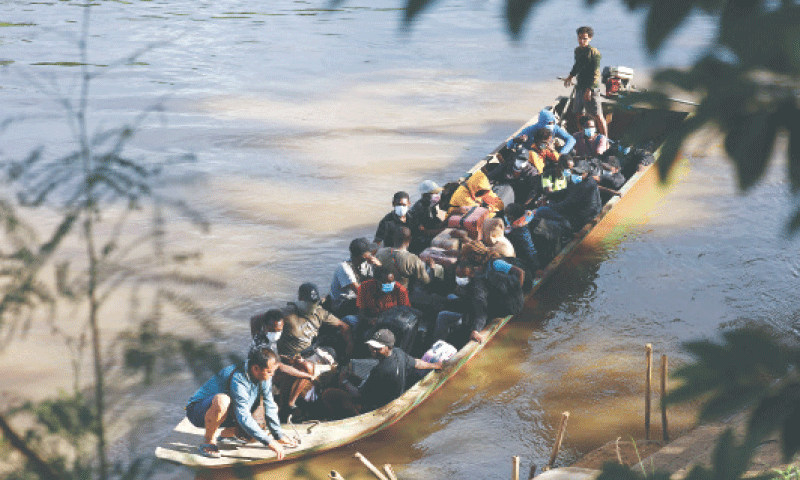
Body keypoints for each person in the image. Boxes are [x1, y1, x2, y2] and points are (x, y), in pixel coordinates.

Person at [185, 345, 297, 459]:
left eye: (273, 371)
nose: (272, 375)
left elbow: (269, 405)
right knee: (222, 400)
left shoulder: (265, 374)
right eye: (269, 372)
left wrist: (278, 435)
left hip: (229, 410)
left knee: (269, 409)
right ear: (255, 368)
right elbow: (243, 415)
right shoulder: (239, 377)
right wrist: (269, 442)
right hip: (197, 411)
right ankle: (209, 442)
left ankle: (226, 434)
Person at [320, 329, 442, 419]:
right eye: (372, 346)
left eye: (377, 348)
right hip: (391, 394)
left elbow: (358, 395)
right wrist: (435, 365)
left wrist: (344, 382)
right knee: (352, 379)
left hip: (377, 407)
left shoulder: (381, 370)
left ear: (388, 347)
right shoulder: (399, 353)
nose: (373, 351)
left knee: (328, 394)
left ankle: (339, 419)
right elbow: (417, 363)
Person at [432, 249, 525, 347]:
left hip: (488, 312)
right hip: (482, 305)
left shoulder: (477, 288)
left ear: (472, 273)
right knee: (450, 297)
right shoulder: (477, 277)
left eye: (463, 276)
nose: (459, 278)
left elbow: (481, 310)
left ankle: (435, 348)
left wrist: (475, 330)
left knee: (442, 316)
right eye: (458, 275)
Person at [250, 309, 318, 419]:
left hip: (269, 372)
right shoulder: (263, 346)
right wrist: (308, 376)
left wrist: (289, 359)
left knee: (299, 366)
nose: (276, 334)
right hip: (261, 380)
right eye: (273, 330)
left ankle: (287, 404)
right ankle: (285, 408)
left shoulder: (260, 335)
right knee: (304, 370)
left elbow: (254, 319)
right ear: (266, 326)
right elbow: (280, 368)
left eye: (279, 330)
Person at [279, 282, 353, 359]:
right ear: (300, 299)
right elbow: (268, 318)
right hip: (291, 356)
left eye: (315, 302)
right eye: (309, 303)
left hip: (310, 351)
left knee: (332, 351)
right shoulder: (287, 313)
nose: (313, 306)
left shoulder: (319, 312)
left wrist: (348, 354)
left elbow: (344, 326)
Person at [563, 26, 608, 136]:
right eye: (580, 38)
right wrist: (570, 76)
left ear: (590, 38)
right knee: (578, 113)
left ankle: (605, 139)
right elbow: (577, 65)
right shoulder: (577, 51)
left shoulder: (594, 53)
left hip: (592, 88)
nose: (582, 41)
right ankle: (582, 136)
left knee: (597, 114)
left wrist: (590, 90)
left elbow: (596, 73)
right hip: (580, 86)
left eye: (585, 39)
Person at [375, 227, 443, 292]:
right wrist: (432, 266)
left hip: (383, 289)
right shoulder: (413, 259)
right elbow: (427, 280)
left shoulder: (380, 252)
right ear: (410, 240)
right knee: (437, 270)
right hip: (401, 292)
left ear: (393, 238)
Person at [346, 265, 410, 333]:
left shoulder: (401, 290)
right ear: (376, 281)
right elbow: (361, 310)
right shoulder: (364, 287)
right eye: (385, 283)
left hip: (392, 325)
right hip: (370, 320)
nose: (388, 285)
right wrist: (368, 320)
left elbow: (406, 314)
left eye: (391, 282)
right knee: (348, 319)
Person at [329, 237, 381, 318]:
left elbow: (380, 281)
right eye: (369, 253)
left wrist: (379, 266)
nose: (371, 254)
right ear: (363, 256)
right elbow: (360, 292)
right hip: (343, 304)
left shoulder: (366, 264)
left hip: (356, 298)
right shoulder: (343, 268)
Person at [508, 108, 576, 155]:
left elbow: (571, 139)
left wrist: (562, 152)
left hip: (547, 154)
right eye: (548, 124)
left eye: (552, 123)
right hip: (532, 156)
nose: (550, 126)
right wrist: (517, 140)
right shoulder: (529, 131)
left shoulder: (555, 128)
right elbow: (509, 145)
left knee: (572, 151)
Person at [503, 203, 541, 276]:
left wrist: (537, 268)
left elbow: (529, 248)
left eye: (507, 215)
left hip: (530, 260)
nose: (506, 217)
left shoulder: (520, 230)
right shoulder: (527, 217)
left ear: (512, 217)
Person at [408, 180, 446, 252]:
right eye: (434, 193)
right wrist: (443, 231)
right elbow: (424, 232)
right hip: (417, 242)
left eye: (437, 193)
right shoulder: (418, 208)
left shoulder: (431, 205)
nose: (437, 195)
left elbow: (435, 222)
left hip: (426, 234)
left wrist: (447, 222)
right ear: (425, 194)